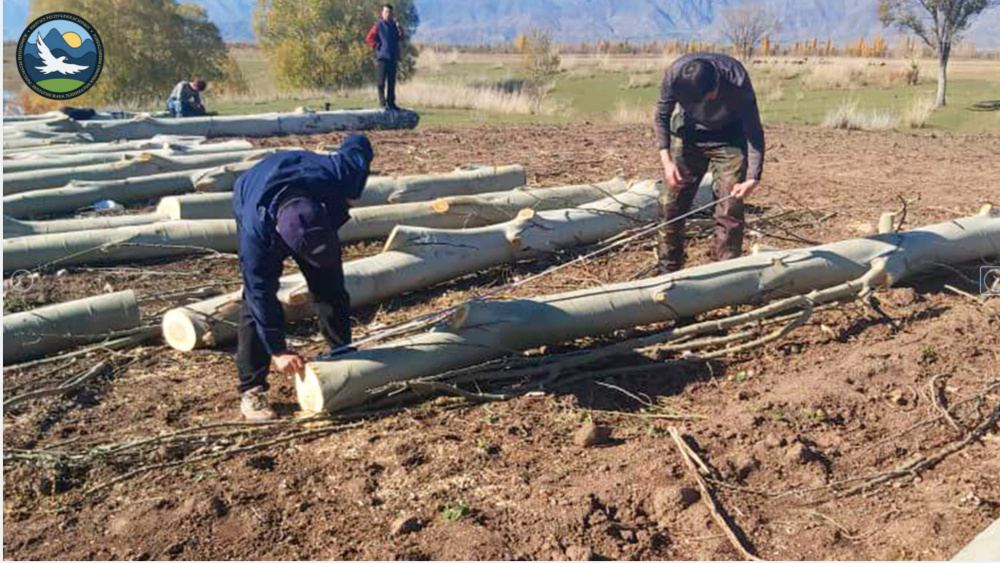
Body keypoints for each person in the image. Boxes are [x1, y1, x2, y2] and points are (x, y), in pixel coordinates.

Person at [232, 134, 375, 421]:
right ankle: (252, 388)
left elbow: (358, 142)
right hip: (252, 191)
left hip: (307, 181)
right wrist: (278, 350)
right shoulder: (256, 237)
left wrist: (350, 187)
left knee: (331, 287)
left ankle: (342, 353)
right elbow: (261, 294)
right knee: (254, 302)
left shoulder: (342, 173)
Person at [653, 53, 765, 273]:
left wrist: (753, 177)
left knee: (730, 205)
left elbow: (753, 129)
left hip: (729, 138)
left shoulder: (737, 79)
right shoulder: (674, 74)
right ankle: (668, 267)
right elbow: (661, 116)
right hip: (687, 137)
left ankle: (724, 272)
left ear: (714, 88)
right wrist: (667, 162)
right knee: (670, 203)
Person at [365, 4, 404, 111]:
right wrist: (377, 46)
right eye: (386, 12)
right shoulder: (378, 25)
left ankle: (391, 103)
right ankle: (382, 104)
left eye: (390, 12)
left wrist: (399, 27)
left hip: (392, 58)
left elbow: (401, 37)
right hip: (382, 58)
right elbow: (369, 38)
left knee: (391, 83)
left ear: (392, 14)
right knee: (380, 82)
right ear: (382, 13)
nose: (388, 14)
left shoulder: (394, 26)